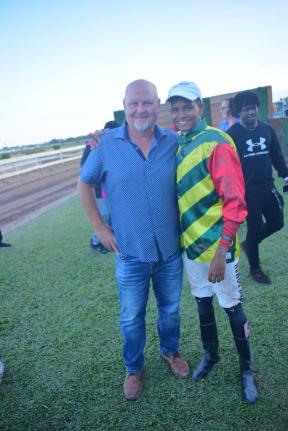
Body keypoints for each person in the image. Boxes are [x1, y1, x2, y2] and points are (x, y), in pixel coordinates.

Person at [78, 79, 189, 401]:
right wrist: (100, 228)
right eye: (134, 104)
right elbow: (84, 184)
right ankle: (134, 367)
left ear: (158, 105)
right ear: (124, 107)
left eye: (147, 103)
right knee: (131, 316)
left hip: (169, 250)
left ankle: (171, 352)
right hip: (129, 252)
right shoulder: (106, 145)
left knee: (170, 310)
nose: (140, 109)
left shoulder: (173, 141)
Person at [166, 81, 258, 403]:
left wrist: (222, 251)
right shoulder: (177, 144)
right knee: (202, 304)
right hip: (190, 248)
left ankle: (247, 369)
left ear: (199, 107)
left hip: (219, 249)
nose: (180, 114)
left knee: (232, 307)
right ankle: (211, 355)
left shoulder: (217, 142)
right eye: (175, 109)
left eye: (186, 107)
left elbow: (235, 202)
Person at [227, 90, 288, 284]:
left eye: (253, 108)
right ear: (239, 112)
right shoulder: (231, 135)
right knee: (253, 227)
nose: (251, 112)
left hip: (267, 186)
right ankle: (255, 268)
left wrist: (285, 176)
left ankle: (248, 244)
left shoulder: (267, 130)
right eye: (246, 109)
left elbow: (277, 156)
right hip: (246, 191)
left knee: (278, 221)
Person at [80, 121, 118, 253]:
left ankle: (109, 241)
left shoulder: (117, 143)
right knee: (106, 214)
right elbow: (84, 165)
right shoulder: (94, 142)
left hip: (112, 187)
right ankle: (96, 241)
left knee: (113, 215)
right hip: (99, 186)